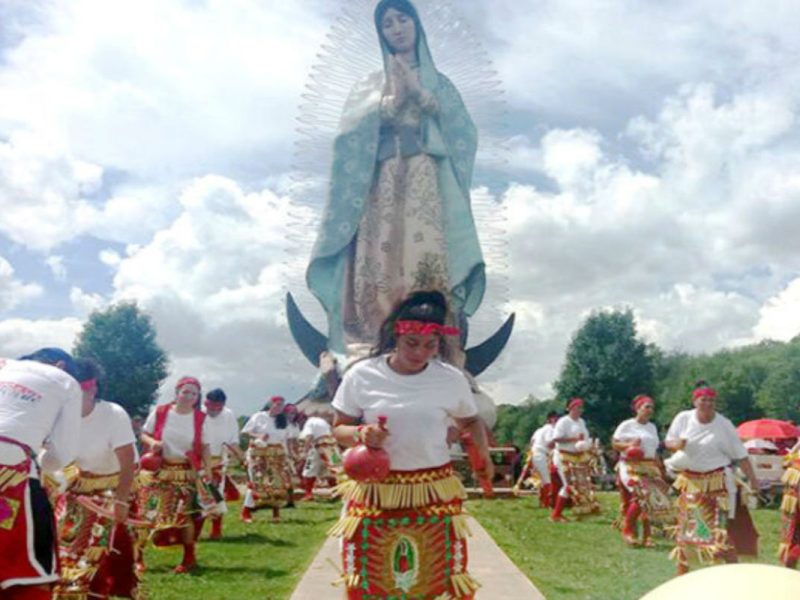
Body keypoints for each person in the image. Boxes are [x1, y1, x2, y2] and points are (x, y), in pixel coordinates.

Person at [306, 0, 485, 358]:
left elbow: (463, 131)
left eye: (403, 19)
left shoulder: (440, 84)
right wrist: (386, 106)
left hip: (424, 178)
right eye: (387, 24)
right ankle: (375, 339)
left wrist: (422, 97)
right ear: (381, 33)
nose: (397, 28)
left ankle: (431, 336)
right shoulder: (370, 85)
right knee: (380, 254)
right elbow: (348, 137)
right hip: (383, 182)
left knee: (425, 257)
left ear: (416, 24)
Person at [330, 290, 491, 599]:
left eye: (430, 345)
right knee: (371, 578)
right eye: (412, 343)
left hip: (433, 491)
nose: (420, 353)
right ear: (396, 336)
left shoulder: (450, 378)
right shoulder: (362, 375)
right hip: (375, 493)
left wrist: (481, 458)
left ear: (439, 343)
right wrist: (362, 434)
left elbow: (470, 421)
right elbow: (339, 429)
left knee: (438, 577)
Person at [50, 358, 139, 600]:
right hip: (71, 494)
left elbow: (129, 461)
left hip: (108, 492)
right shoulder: (57, 416)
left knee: (96, 556)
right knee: (65, 555)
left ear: (92, 388)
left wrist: (121, 500)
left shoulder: (113, 414)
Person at [0, 349, 81, 600]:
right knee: (31, 562)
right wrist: (43, 461)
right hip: (10, 470)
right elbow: (62, 454)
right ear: (61, 365)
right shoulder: (65, 380)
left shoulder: (3, 364)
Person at [664, 382, 759, 575]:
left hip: (719, 483)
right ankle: (681, 576)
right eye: (703, 400)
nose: (707, 404)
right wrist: (677, 444)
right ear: (695, 401)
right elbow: (668, 441)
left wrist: (754, 481)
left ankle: (731, 574)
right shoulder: (683, 418)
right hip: (691, 482)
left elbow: (741, 455)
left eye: (711, 400)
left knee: (720, 531)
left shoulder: (724, 424)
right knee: (688, 530)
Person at [137, 376, 213, 574]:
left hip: (185, 472)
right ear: (177, 392)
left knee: (185, 515)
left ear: (198, 397)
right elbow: (144, 433)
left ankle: (189, 558)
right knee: (148, 512)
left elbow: (205, 446)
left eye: (194, 393)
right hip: (159, 470)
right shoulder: (161, 412)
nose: (189, 396)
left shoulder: (200, 418)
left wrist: (208, 469)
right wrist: (153, 443)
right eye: (185, 392)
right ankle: (138, 556)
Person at [611, 394, 674, 548]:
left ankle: (647, 536)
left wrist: (661, 468)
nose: (650, 410)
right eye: (646, 407)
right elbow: (615, 444)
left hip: (649, 465)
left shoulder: (652, 427)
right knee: (641, 494)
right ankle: (628, 530)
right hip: (630, 465)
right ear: (637, 409)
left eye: (652, 407)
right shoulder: (627, 425)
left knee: (652, 501)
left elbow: (654, 450)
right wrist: (629, 445)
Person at [240, 396, 295, 523]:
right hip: (258, 453)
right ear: (271, 404)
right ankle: (246, 512)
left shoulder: (283, 421)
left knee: (276, 483)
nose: (279, 407)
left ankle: (276, 513)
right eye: (277, 404)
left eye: (281, 405)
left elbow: (286, 439)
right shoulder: (259, 416)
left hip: (276, 454)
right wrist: (258, 435)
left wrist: (288, 455)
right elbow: (245, 432)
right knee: (257, 482)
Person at [199, 388, 243, 540]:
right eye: (212, 407)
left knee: (216, 495)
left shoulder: (228, 415)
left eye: (219, 407)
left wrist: (242, 458)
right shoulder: (197, 413)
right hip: (197, 462)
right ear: (206, 403)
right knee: (197, 497)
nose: (215, 410)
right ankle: (193, 531)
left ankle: (216, 530)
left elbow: (233, 441)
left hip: (218, 461)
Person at [549, 398, 600, 522]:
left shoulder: (581, 422)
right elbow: (555, 439)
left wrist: (588, 446)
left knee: (582, 483)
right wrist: (573, 440)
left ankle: (584, 508)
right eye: (576, 407)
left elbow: (584, 438)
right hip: (563, 455)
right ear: (569, 408)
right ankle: (556, 514)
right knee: (568, 485)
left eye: (581, 408)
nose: (579, 410)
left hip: (578, 456)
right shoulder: (563, 421)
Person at [299, 412, 342, 500]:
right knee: (335, 468)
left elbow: (309, 436)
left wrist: (304, 451)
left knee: (309, 468)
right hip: (332, 446)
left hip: (320, 445)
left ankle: (308, 494)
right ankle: (337, 492)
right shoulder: (323, 422)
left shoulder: (309, 422)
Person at [529, 411, 558, 508]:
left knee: (542, 480)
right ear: (551, 419)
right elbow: (550, 443)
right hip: (542, 454)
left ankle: (543, 502)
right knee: (547, 480)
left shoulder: (539, 430)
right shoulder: (551, 429)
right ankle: (547, 503)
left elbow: (531, 442)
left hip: (534, 454)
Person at [779, 438, 800, 567]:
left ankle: (788, 567)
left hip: (791, 506)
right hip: (794, 504)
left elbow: (785, 463)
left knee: (791, 537)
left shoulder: (793, 458)